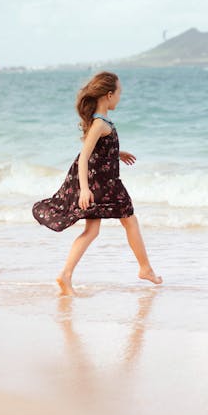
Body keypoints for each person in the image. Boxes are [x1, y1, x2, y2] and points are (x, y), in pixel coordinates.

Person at [32, 71, 162, 295]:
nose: (120, 98)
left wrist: (116, 153)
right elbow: (84, 156)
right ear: (109, 95)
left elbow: (97, 151)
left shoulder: (103, 122)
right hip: (101, 183)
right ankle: (145, 268)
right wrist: (84, 189)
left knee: (93, 230)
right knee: (129, 220)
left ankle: (65, 275)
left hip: (101, 181)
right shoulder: (100, 123)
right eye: (119, 93)